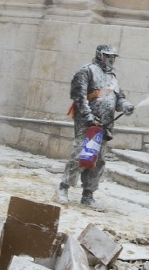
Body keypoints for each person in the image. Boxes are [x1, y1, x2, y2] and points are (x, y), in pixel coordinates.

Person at [56, 45, 135, 208]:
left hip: (105, 124)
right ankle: (63, 188)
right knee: (80, 155)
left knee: (98, 160)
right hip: (88, 123)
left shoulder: (113, 77)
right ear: (99, 55)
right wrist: (88, 116)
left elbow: (119, 97)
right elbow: (79, 96)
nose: (111, 60)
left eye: (113, 57)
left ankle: (88, 195)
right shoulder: (87, 71)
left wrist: (126, 105)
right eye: (107, 56)